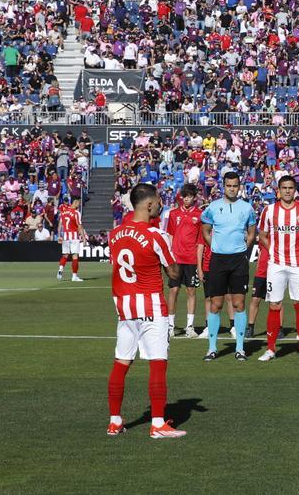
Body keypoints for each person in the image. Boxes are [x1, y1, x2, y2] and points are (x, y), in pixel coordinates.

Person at [105, 183, 186, 439]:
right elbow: (173, 272)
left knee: (121, 362)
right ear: (149, 204)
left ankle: (115, 421)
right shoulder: (156, 235)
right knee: (158, 364)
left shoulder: (115, 233)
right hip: (151, 306)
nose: (162, 205)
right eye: (160, 201)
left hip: (124, 307)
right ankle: (158, 424)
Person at [257, 175, 299, 361]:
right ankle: (271, 349)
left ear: (295, 190)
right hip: (275, 265)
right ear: (279, 190)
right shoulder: (269, 210)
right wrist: (273, 251)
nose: (288, 191)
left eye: (291, 188)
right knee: (274, 305)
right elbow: (262, 234)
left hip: (298, 265)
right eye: (284, 188)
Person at [199, 172, 258, 361]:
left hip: (238, 260)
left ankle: (240, 348)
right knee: (215, 305)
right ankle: (212, 348)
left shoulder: (247, 208)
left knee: (239, 303)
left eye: (235, 185)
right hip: (218, 260)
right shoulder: (212, 208)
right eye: (228, 185)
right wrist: (216, 247)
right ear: (223, 186)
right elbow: (205, 230)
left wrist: (243, 248)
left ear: (239, 186)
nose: (232, 188)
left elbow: (251, 232)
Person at [163, 184, 204, 338]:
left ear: (194, 197)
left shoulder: (200, 215)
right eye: (184, 196)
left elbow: (200, 241)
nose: (186, 199)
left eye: (189, 196)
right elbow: (170, 235)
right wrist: (169, 257)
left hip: (191, 259)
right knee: (173, 291)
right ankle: (170, 326)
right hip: (176, 259)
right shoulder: (173, 214)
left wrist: (199, 265)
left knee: (191, 291)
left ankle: (189, 327)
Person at [56, 199, 84, 282]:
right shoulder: (76, 213)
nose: (78, 207)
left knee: (65, 255)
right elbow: (79, 226)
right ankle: (74, 276)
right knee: (75, 256)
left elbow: (60, 225)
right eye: (78, 205)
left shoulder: (64, 212)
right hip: (74, 236)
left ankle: (61, 269)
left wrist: (59, 236)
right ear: (76, 204)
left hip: (65, 236)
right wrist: (84, 238)